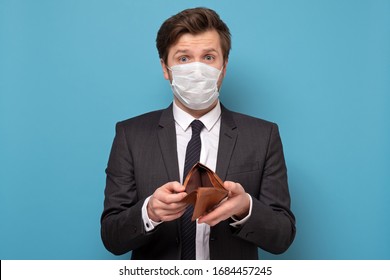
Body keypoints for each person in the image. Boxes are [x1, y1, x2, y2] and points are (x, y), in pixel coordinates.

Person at [101, 7, 295, 260]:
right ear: (165, 68)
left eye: (208, 57)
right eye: (183, 58)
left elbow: (282, 237)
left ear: (223, 67)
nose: (196, 70)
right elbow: (112, 238)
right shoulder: (131, 135)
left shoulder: (263, 136)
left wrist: (246, 207)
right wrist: (150, 212)